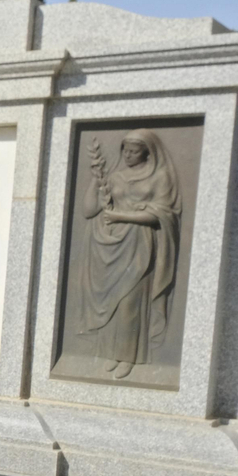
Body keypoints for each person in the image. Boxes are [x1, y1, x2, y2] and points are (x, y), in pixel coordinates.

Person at [78, 128, 182, 380]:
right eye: (125, 149)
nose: (128, 154)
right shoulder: (115, 177)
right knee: (111, 303)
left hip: (138, 245)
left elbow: (162, 214)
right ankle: (110, 354)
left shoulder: (160, 177)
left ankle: (129, 356)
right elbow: (89, 210)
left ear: (148, 152)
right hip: (108, 246)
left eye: (134, 151)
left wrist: (121, 215)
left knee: (129, 303)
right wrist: (95, 179)